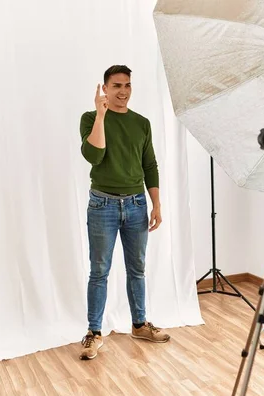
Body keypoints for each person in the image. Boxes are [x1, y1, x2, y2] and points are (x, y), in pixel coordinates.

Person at [78, 65, 170, 361]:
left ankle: (140, 324)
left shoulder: (141, 123)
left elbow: (150, 165)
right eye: (116, 85)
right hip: (102, 205)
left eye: (127, 85)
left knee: (137, 269)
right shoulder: (91, 118)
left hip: (136, 205)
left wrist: (156, 203)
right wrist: (102, 115)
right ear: (104, 89)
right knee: (99, 271)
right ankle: (94, 333)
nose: (123, 91)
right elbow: (94, 155)